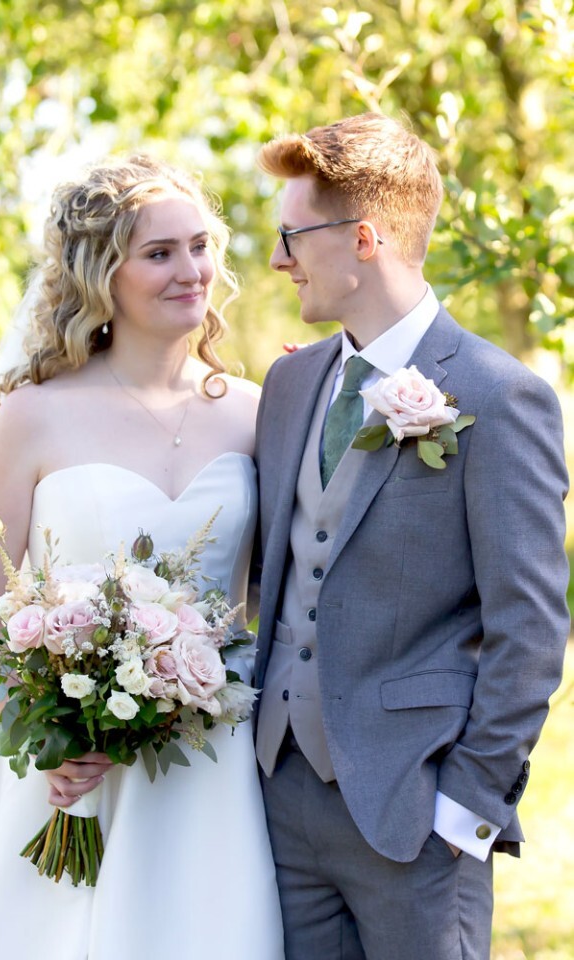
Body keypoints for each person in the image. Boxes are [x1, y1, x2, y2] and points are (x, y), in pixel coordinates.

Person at [0, 155, 284, 959]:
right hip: (70, 775)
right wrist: (45, 735)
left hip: (213, 767)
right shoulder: (33, 418)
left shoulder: (258, 414)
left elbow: (281, 593)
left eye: (199, 246)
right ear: (100, 275)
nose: (191, 272)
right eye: (159, 254)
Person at [253, 112, 570, 959]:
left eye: (291, 235)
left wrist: (464, 810)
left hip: (416, 812)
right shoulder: (287, 384)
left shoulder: (501, 398)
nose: (278, 260)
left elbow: (531, 628)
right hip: (279, 802)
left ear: (362, 238)